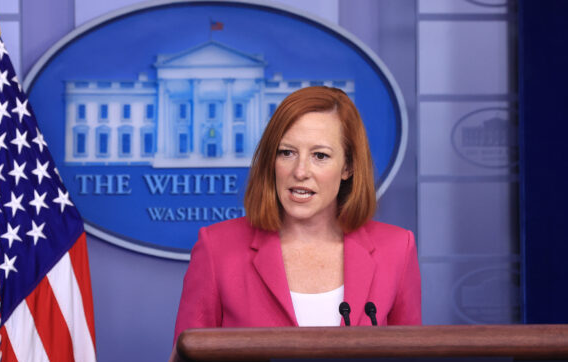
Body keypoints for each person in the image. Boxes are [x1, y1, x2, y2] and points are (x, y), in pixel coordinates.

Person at [174, 86, 421, 344]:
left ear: (348, 166)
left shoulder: (396, 250)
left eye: (320, 155)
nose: (300, 171)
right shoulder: (217, 249)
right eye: (287, 153)